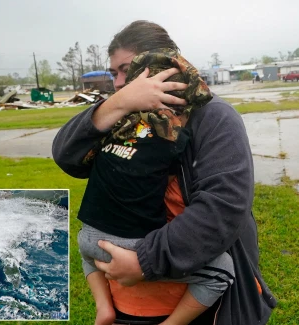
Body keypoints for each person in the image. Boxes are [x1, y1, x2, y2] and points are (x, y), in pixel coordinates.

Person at [52, 20, 276, 324]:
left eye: (125, 69)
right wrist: (117, 104)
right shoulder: (122, 113)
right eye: (113, 73)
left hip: (206, 309)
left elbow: (223, 207)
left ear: (161, 63)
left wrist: (144, 262)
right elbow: (68, 157)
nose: (117, 82)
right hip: (127, 306)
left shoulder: (213, 117)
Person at [77, 47, 235, 325]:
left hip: (87, 239)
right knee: (223, 269)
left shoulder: (113, 124)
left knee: (89, 254)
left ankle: (103, 308)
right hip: (127, 247)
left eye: (123, 72)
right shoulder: (173, 139)